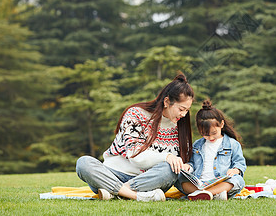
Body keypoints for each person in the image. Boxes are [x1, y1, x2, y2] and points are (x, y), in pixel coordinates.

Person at [76, 73, 194, 201]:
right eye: (181, 109)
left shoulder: (180, 127)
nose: (183, 114)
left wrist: (187, 166)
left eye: (187, 110)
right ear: (166, 102)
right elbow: (135, 156)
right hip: (112, 174)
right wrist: (167, 156)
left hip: (148, 181)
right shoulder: (135, 114)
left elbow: (183, 162)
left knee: (170, 170)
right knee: (83, 163)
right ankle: (134, 195)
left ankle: (114, 192)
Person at [177, 99, 246, 200]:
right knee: (178, 178)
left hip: (220, 182)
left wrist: (235, 170)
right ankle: (211, 194)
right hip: (200, 183)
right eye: (205, 134)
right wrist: (188, 167)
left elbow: (240, 163)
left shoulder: (232, 144)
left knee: (238, 180)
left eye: (214, 133)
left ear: (221, 124)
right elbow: (192, 163)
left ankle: (205, 194)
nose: (210, 138)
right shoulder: (197, 145)